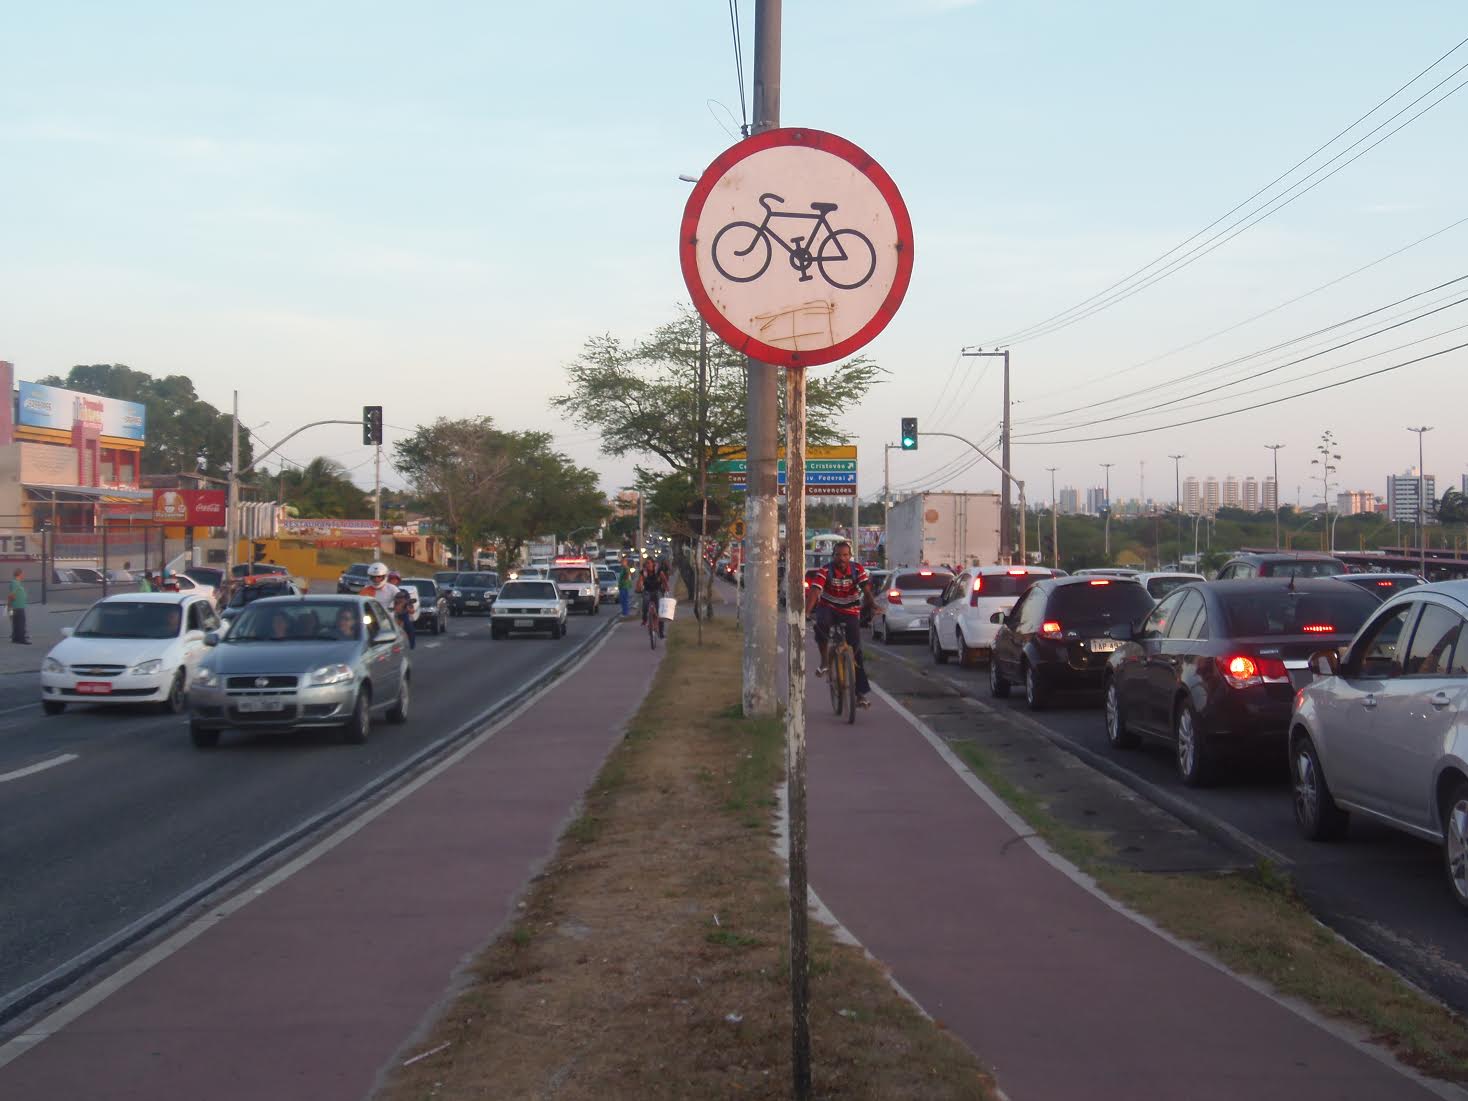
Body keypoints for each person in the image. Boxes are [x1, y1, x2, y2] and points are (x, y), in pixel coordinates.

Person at [804, 540, 875, 709]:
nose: (841, 558)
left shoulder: (857, 569)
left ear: (850, 556)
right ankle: (824, 662)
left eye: (845, 555)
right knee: (821, 624)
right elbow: (815, 591)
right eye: (838, 555)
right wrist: (806, 611)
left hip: (850, 610)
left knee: (856, 650)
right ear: (833, 556)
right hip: (828, 607)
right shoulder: (825, 571)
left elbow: (866, 590)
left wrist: (871, 605)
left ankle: (860, 694)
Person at [388, 572, 416, 649]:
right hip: (388, 613)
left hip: (402, 614)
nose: (393, 581)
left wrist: (409, 608)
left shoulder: (404, 592)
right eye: (391, 579)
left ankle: (412, 645)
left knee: (409, 627)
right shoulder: (386, 591)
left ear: (398, 581)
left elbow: (410, 605)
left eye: (395, 580)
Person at [7, 568, 29, 644]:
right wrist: (9, 606)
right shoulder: (15, 583)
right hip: (17, 606)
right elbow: (11, 595)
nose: (24, 575)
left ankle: (15, 638)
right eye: (23, 574)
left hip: (17, 606)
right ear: (19, 574)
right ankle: (21, 639)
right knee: (21, 622)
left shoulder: (17, 582)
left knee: (16, 622)